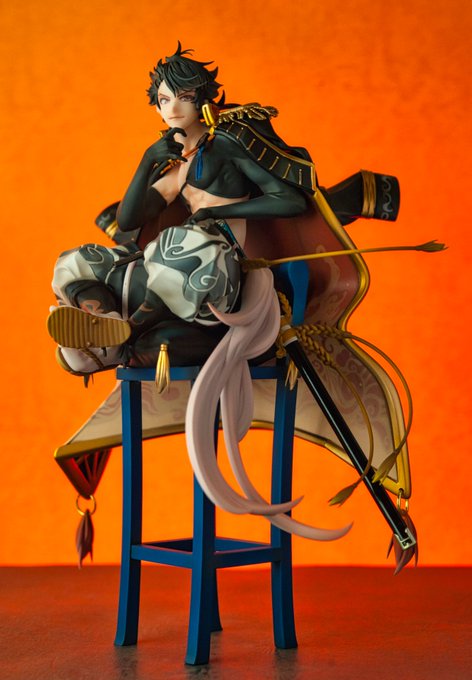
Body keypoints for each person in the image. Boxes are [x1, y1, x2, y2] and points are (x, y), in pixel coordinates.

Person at [49, 43, 309, 377]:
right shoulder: (178, 159)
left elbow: (290, 200)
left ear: (203, 101)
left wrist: (216, 214)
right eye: (164, 100)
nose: (172, 108)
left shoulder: (226, 146)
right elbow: (128, 220)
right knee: (74, 263)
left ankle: (128, 330)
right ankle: (102, 322)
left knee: (174, 247)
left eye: (184, 97)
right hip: (173, 256)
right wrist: (146, 162)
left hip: (218, 267)